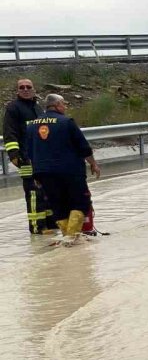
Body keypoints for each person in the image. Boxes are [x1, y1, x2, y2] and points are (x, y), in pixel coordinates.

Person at [24, 94, 101, 246]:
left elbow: (30, 151)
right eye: (64, 104)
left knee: (58, 205)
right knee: (80, 203)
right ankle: (72, 238)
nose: (65, 107)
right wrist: (93, 163)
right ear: (58, 104)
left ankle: (67, 238)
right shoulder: (66, 122)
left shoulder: (32, 125)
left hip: (43, 172)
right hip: (70, 171)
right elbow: (83, 147)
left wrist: (36, 174)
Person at [3, 78, 56, 234]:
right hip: (26, 159)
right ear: (18, 90)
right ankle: (37, 227)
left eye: (28, 87)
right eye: (22, 87)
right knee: (34, 193)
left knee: (47, 191)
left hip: (43, 158)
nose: (25, 89)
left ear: (33, 89)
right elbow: (9, 133)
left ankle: (51, 224)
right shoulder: (13, 109)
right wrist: (14, 154)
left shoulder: (39, 108)